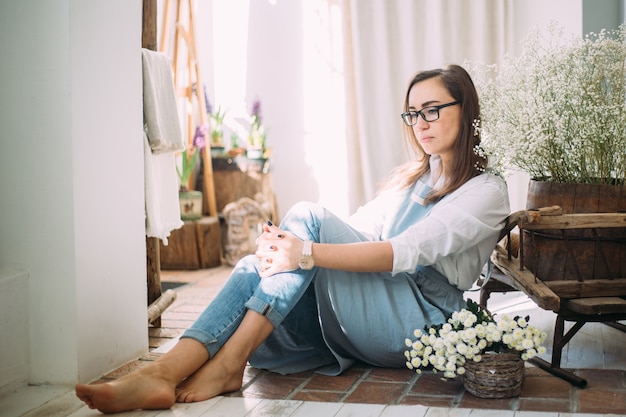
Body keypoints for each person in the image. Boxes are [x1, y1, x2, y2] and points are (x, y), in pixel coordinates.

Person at [75, 64, 510, 413]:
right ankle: (163, 373)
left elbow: (406, 252)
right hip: (380, 308)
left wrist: (303, 250)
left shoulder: (486, 190)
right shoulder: (416, 176)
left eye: (432, 109)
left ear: (466, 109)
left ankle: (229, 364)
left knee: (305, 221)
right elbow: (359, 226)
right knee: (254, 267)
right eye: (412, 113)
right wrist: (285, 248)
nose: (420, 123)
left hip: (422, 321)